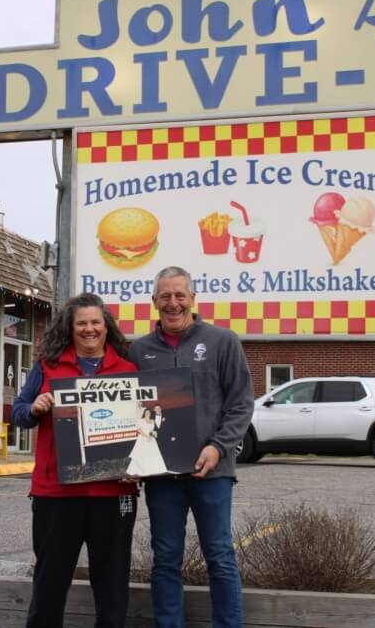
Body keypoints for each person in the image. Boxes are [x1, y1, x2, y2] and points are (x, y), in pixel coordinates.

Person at [129, 266, 254, 628]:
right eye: (165, 296)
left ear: (193, 298)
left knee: (219, 554)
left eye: (180, 295)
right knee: (165, 557)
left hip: (212, 471)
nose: (173, 303)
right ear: (154, 302)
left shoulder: (222, 341)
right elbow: (130, 411)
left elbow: (242, 403)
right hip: (161, 475)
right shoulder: (140, 350)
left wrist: (218, 447)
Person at [11, 293, 138, 628]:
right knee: (50, 582)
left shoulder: (129, 369)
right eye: (81, 323)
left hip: (114, 494)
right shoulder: (48, 366)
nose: (89, 329)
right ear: (70, 328)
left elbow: (148, 425)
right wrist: (35, 407)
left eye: (95, 322)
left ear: (106, 327)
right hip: (57, 494)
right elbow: (18, 412)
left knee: (111, 587)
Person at [126, 407, 168, 477]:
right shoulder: (141, 420)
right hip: (143, 439)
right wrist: (146, 436)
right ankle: (142, 470)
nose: (148, 414)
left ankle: (153, 469)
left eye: (149, 413)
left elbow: (154, 429)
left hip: (151, 440)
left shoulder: (152, 421)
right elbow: (139, 430)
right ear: (144, 413)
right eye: (146, 413)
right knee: (142, 455)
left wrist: (153, 434)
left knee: (152, 454)